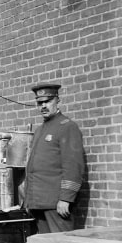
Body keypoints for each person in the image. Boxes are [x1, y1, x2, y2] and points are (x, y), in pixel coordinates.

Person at [24, 82, 85, 233]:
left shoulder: (67, 127)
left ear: (57, 100)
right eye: (40, 103)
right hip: (38, 203)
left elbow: (73, 166)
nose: (43, 106)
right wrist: (28, 200)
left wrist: (66, 198)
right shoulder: (40, 130)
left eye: (48, 101)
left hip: (56, 204)